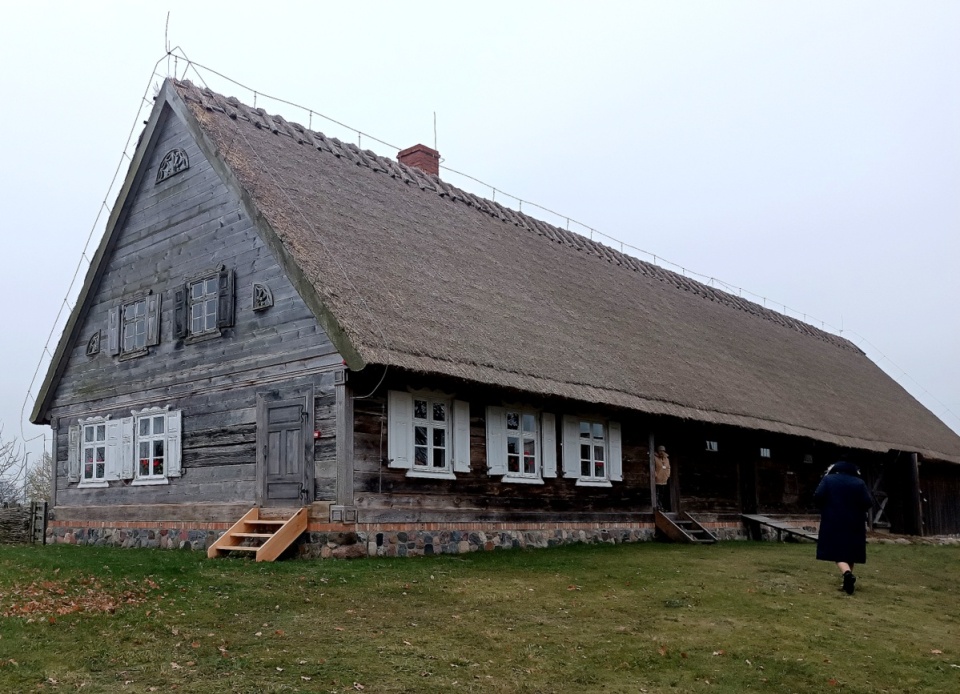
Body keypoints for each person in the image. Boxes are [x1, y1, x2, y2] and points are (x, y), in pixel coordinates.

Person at [813, 458, 873, 594]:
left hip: (833, 520)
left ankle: (847, 574)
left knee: (837, 550)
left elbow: (817, 496)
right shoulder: (859, 482)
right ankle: (848, 581)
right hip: (855, 522)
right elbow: (868, 502)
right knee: (850, 551)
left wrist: (827, 506)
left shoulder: (828, 480)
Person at [654, 445, 671, 511]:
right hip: (657, 479)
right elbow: (653, 467)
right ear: (658, 451)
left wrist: (667, 475)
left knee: (662, 494)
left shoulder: (667, 459)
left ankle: (662, 506)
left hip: (664, 479)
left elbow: (668, 468)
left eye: (663, 451)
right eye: (660, 450)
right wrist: (655, 475)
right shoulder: (655, 458)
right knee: (657, 493)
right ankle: (657, 506)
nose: (662, 452)